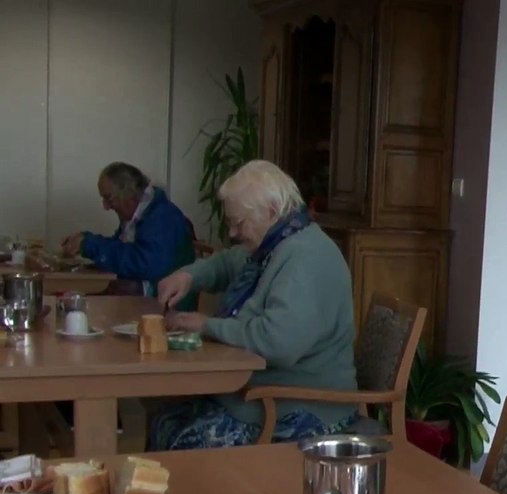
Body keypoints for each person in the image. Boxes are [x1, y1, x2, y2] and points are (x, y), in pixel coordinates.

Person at [148, 160, 358, 450]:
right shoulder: (275, 243)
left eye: (239, 222)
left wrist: (206, 325)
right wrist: (188, 276)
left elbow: (277, 342)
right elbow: (227, 262)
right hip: (259, 393)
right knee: (163, 419)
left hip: (301, 406)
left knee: (185, 441)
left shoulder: (306, 258)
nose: (233, 232)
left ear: (272, 211)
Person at [60, 161, 198, 309]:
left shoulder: (162, 217)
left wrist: (91, 245)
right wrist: (86, 242)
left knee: (86, 308)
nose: (106, 207)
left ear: (129, 192)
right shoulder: (143, 213)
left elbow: (144, 264)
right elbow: (122, 248)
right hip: (150, 299)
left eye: (109, 198)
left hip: (170, 308)